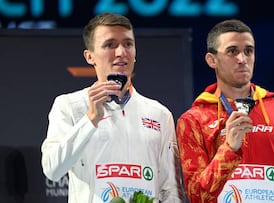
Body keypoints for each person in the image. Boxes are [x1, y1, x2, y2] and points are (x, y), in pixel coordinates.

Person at [176, 19, 274, 203]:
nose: (242, 59)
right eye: (232, 51)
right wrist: (229, 149)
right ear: (212, 60)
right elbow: (196, 195)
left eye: (248, 51)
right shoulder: (193, 120)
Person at [41, 12, 185, 203]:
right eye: (110, 45)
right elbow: (53, 169)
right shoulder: (69, 105)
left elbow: (170, 189)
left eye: (128, 44)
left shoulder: (159, 113)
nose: (121, 52)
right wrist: (91, 118)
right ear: (89, 56)